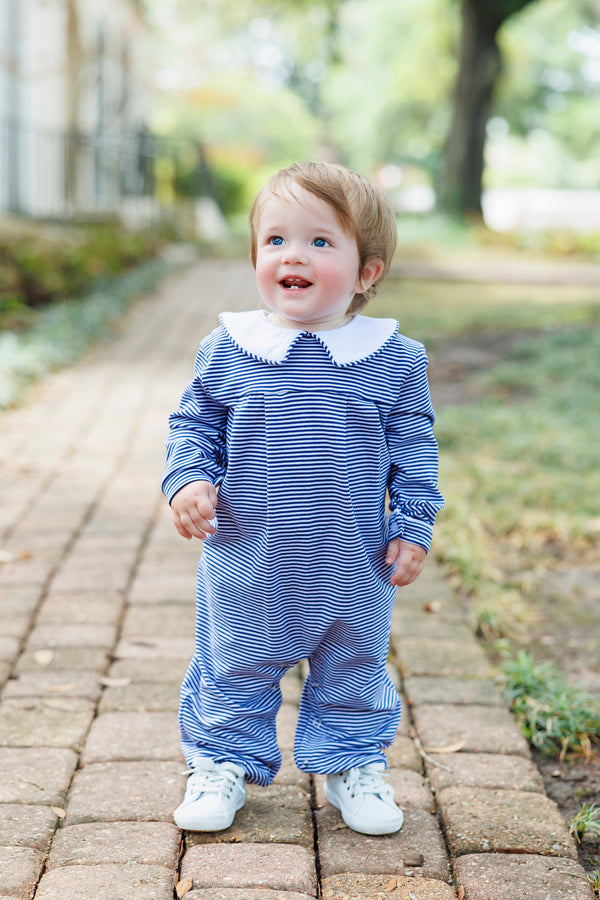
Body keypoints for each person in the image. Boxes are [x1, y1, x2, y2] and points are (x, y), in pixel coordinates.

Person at [162, 161, 444, 837]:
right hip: (249, 556)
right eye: (276, 240)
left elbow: (415, 449)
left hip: (351, 559)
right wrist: (189, 479)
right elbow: (194, 424)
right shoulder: (230, 349)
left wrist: (412, 523)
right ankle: (222, 761)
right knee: (235, 660)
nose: (294, 255)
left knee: (353, 662)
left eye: (321, 242)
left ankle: (352, 764)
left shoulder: (393, 359)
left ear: (366, 271)